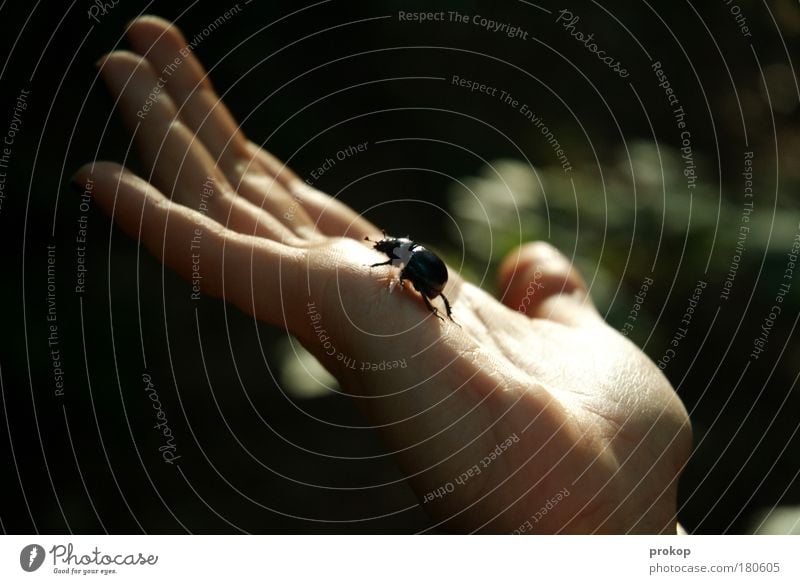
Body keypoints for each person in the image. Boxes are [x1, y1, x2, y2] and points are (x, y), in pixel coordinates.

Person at [74, 16, 692, 534]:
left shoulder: (403, 265)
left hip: (435, 286)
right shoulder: (401, 257)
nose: (385, 257)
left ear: (397, 253)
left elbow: (405, 271)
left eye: (388, 253)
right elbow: (400, 264)